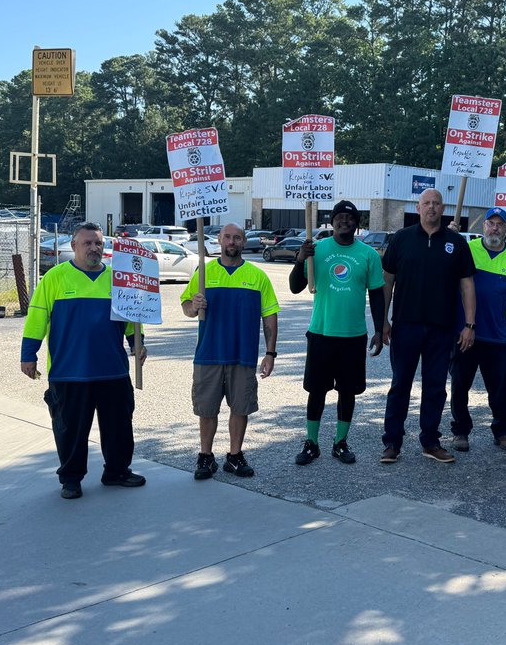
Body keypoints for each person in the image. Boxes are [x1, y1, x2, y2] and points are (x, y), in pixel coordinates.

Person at [20, 222, 147, 500]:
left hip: (112, 370)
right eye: (87, 243)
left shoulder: (117, 279)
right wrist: (28, 354)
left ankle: (116, 471)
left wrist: (137, 342)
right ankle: (71, 478)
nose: (94, 248)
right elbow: (37, 318)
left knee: (119, 427)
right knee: (70, 431)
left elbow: (130, 319)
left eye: (99, 243)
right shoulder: (55, 278)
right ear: (74, 246)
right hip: (69, 372)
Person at [380, 188, 476, 463]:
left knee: (435, 386)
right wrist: (382, 321)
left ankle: (430, 442)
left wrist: (469, 324)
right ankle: (392, 442)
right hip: (405, 325)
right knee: (400, 385)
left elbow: (467, 285)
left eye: (436, 203)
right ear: (418, 208)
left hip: (442, 328)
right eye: (426, 203)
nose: (431, 207)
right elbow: (387, 280)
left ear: (443, 208)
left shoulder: (456, 243)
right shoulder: (402, 239)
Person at [288, 200, 386, 465]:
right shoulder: (316, 249)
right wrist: (300, 260)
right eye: (340, 217)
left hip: (353, 335)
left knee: (348, 391)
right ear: (332, 222)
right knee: (316, 390)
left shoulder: (368, 255)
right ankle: (312, 443)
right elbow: (295, 287)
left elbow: (377, 294)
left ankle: (340, 442)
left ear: (357, 224)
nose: (345, 221)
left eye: (350, 217)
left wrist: (379, 329)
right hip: (321, 332)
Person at [181, 223, 279, 480]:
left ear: (244, 242)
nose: (232, 241)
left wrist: (270, 353)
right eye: (227, 237)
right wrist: (194, 305)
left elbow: (269, 316)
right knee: (206, 409)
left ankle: (234, 457)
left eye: (237, 237)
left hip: (242, 356)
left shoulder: (258, 276)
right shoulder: (204, 272)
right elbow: (186, 306)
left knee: (241, 408)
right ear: (220, 241)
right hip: (209, 353)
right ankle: (206, 457)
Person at [449, 207, 506, 452]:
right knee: (460, 386)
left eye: (499, 224)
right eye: (490, 223)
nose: (495, 228)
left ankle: (502, 431)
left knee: (501, 388)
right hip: (465, 333)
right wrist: (449, 237)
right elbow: (445, 265)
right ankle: (461, 431)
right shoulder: (467, 250)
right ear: (482, 226)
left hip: (496, 336)